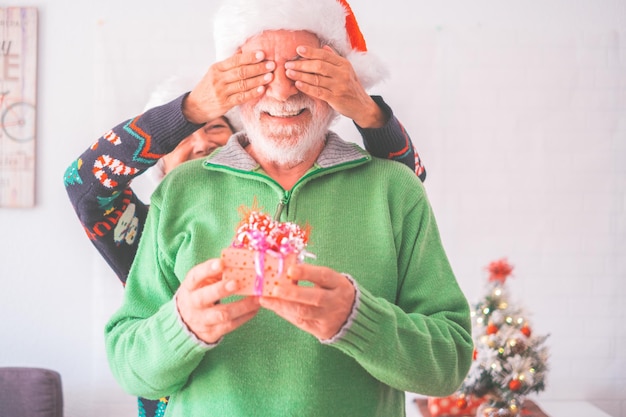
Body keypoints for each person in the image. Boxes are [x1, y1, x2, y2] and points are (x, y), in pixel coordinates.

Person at [102, 1, 473, 416]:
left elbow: (450, 363)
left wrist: (361, 321)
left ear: (339, 80)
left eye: (304, 70)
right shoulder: (180, 191)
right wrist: (182, 327)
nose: (282, 91)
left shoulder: (395, 190)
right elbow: (128, 365)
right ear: (232, 84)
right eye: (259, 72)